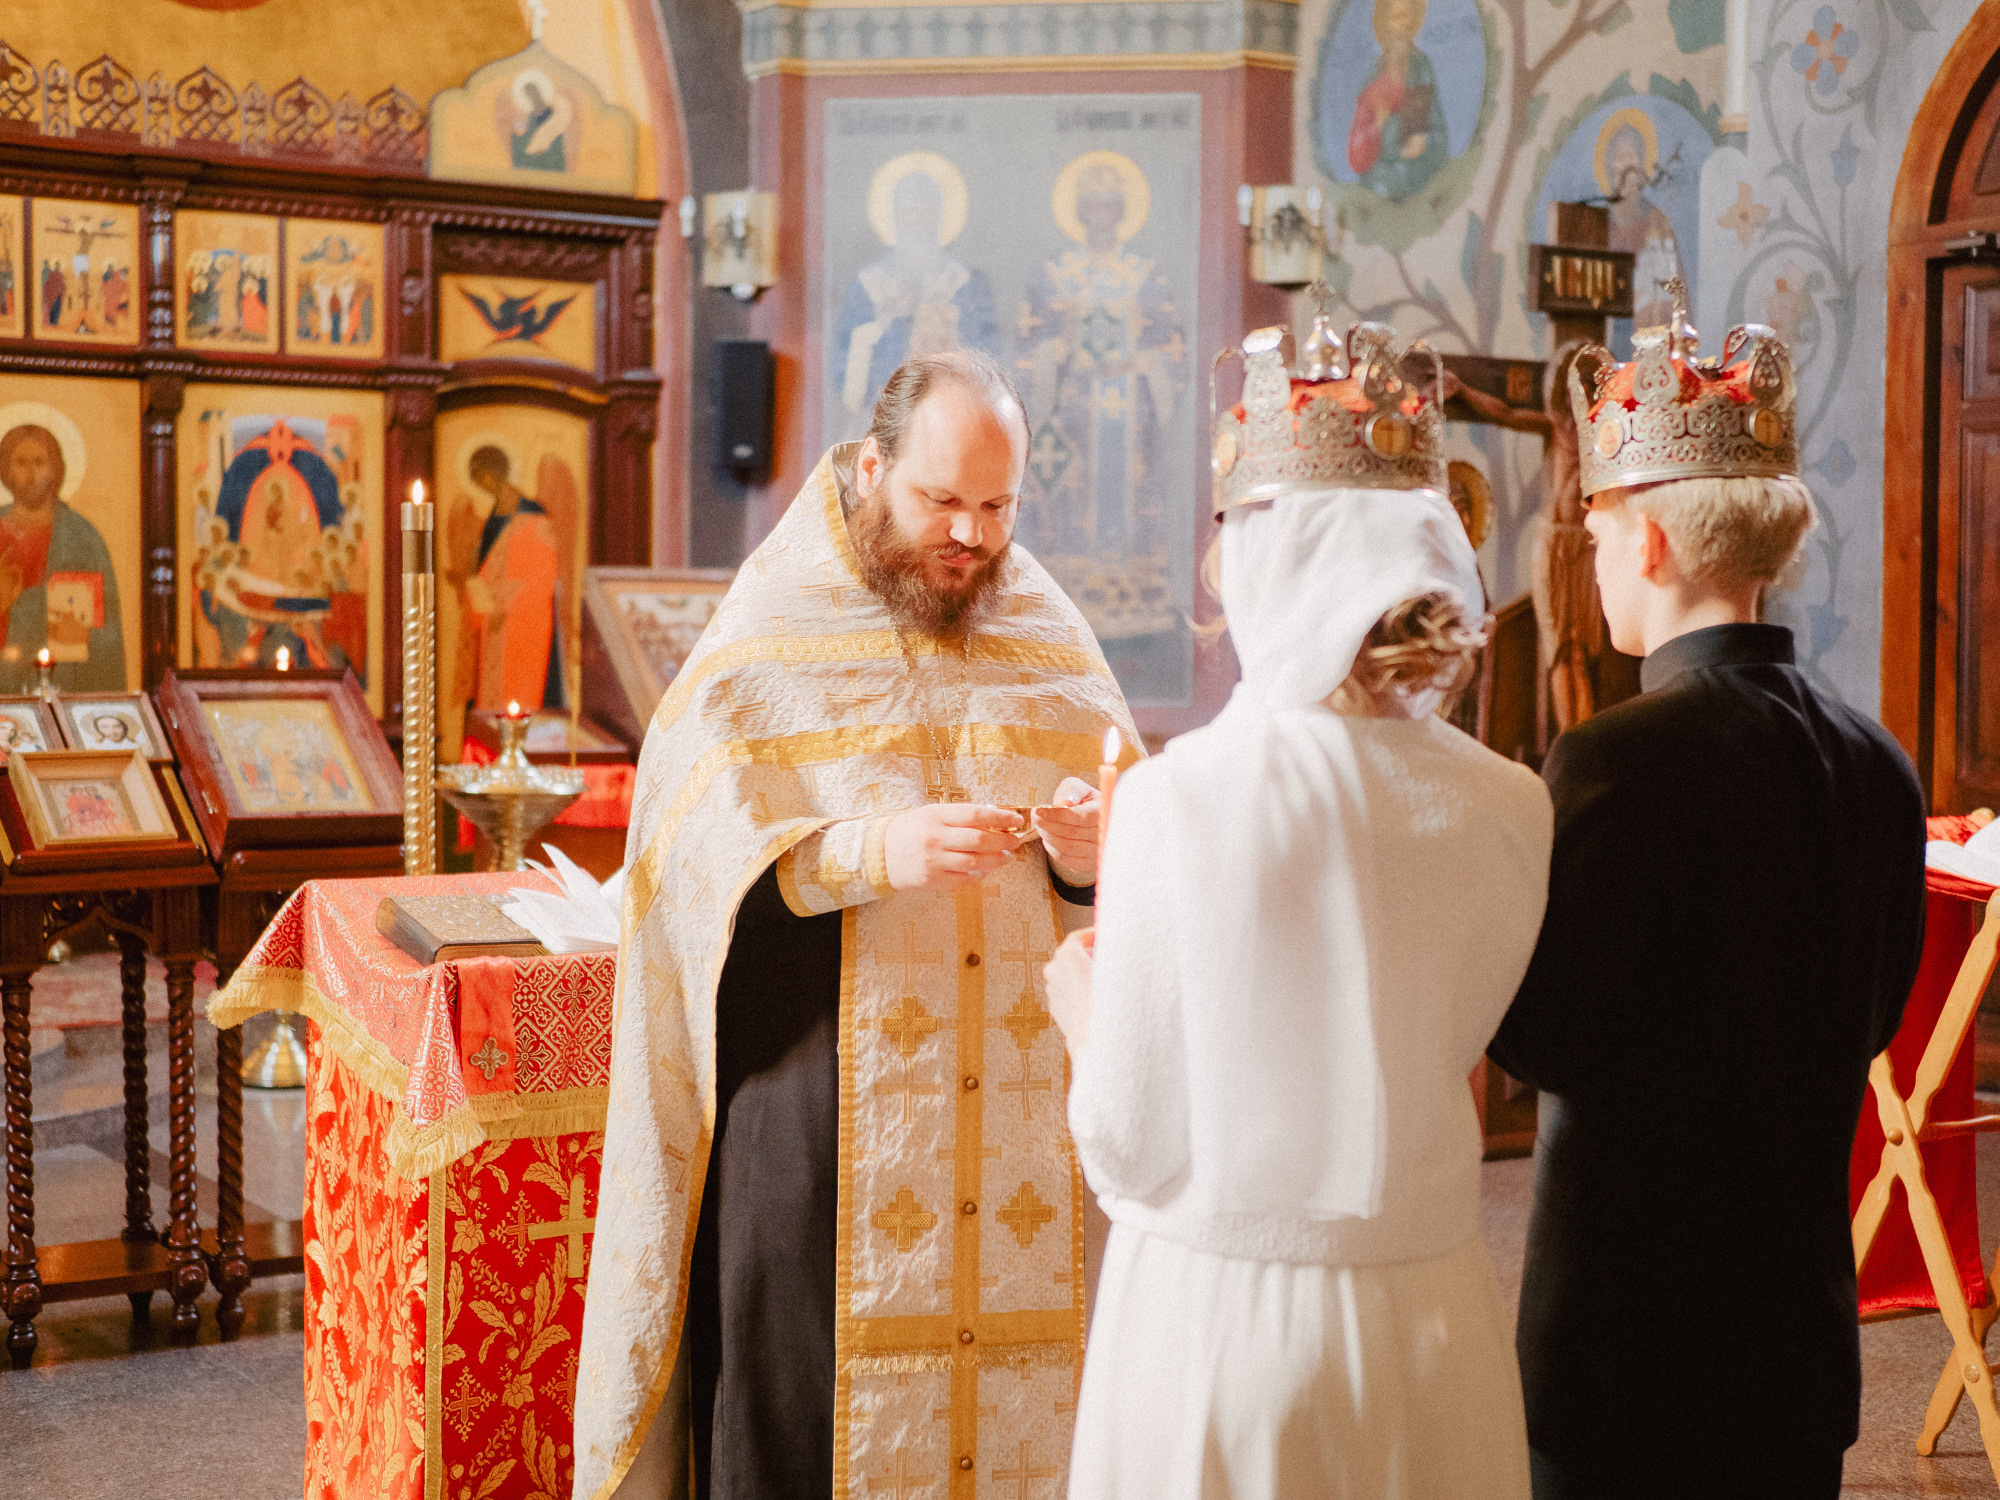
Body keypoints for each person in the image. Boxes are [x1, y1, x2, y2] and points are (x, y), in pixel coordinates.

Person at [574, 349, 1139, 1500]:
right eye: (941, 500)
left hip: (1022, 1122)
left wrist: (1089, 862)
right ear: (873, 468)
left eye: (996, 505)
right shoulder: (771, 622)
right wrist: (873, 850)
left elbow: (1117, 825)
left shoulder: (1044, 624)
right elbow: (690, 867)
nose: (972, 538)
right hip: (817, 1103)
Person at [1046, 319, 1552, 1499]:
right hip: (1430, 1304)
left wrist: (1081, 1008)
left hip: (1224, 1313)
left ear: (1273, 562)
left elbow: (1128, 1140)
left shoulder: (1181, 801)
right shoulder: (1511, 803)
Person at [1487, 294, 1928, 1498]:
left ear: (1644, 540)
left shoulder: (1609, 760)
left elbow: (1541, 1038)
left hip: (1619, 1341)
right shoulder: (1875, 760)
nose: (1590, 563)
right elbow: (1877, 1011)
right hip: (1790, 1340)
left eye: (1590, 535)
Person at [0, 422, 125, 692]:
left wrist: (78, 626)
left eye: (39, 462)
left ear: (55, 469)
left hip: (67, 681)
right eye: (20, 462)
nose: (31, 473)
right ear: (6, 469)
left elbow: (105, 632)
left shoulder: (82, 538)